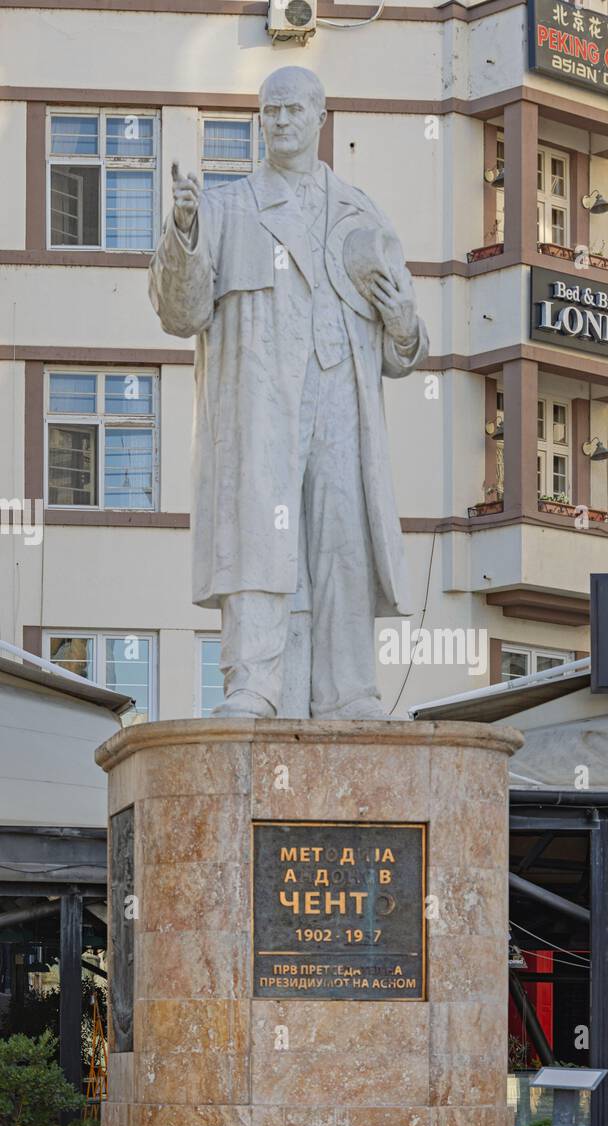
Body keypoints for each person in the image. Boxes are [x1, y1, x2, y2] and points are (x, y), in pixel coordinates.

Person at [149, 66, 428, 718]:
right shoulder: (223, 208)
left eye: (292, 110)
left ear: (320, 118)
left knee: (341, 543)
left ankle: (347, 690)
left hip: (340, 400)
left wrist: (402, 323)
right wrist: (183, 236)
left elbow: (401, 352)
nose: (279, 121)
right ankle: (255, 684)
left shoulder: (361, 213)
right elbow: (179, 314)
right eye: (268, 111)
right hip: (261, 401)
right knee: (258, 540)